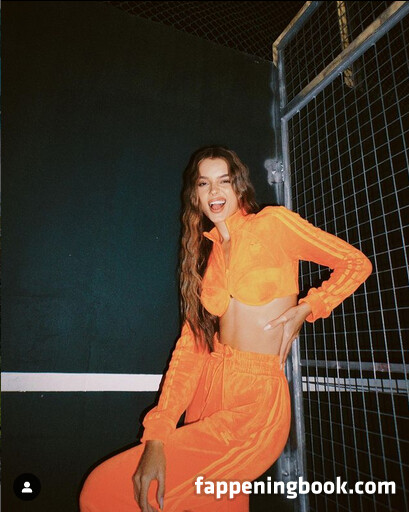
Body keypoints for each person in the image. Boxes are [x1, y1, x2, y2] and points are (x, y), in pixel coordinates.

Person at [79, 146, 372, 512]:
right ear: (195, 194)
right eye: (204, 183)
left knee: (101, 491)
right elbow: (191, 350)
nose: (215, 191)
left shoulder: (273, 224)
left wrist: (309, 307)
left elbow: (355, 263)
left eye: (224, 181)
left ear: (239, 186)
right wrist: (157, 433)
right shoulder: (207, 255)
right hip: (206, 393)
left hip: (254, 403)